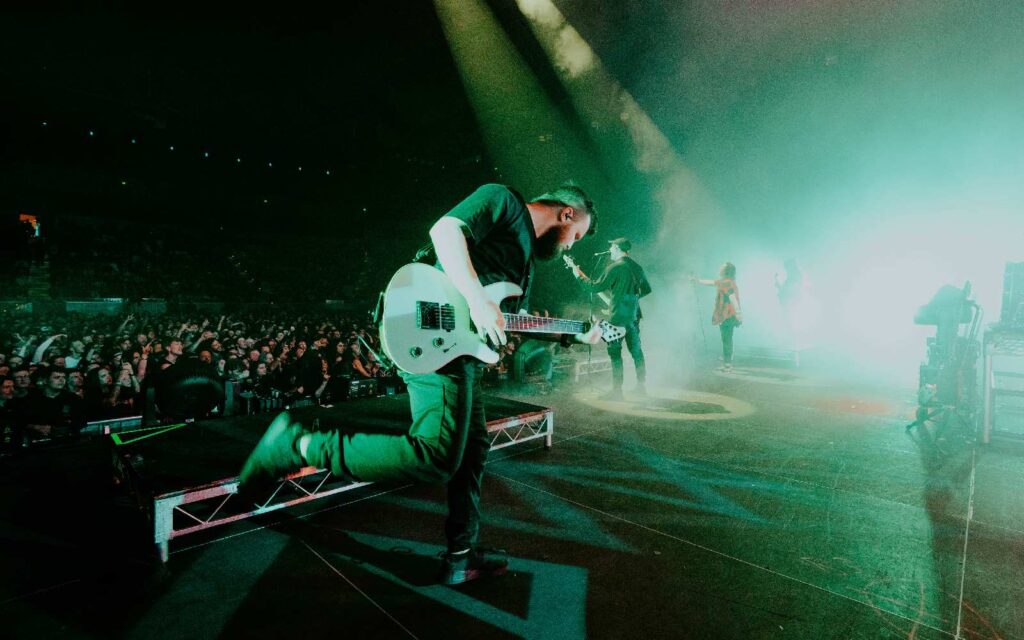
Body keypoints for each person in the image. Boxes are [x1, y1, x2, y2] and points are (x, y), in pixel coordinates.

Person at [238, 182, 601, 584]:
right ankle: (299, 443)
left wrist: (573, 333)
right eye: (577, 236)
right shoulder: (503, 200)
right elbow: (445, 232)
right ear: (567, 214)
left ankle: (462, 553)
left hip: (460, 350)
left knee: (472, 449)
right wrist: (478, 299)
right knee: (435, 455)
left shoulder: (521, 256)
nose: (571, 247)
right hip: (429, 332)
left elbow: (503, 321)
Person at [569, 237, 652, 399]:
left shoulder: (615, 267)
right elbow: (647, 290)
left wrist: (577, 275)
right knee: (637, 353)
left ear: (619, 248)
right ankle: (642, 388)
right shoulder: (637, 267)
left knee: (615, 354)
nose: (610, 250)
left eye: (612, 247)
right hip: (633, 317)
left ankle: (617, 392)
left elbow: (594, 286)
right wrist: (628, 301)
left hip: (617, 319)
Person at [692, 262, 742, 371]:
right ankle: (727, 358)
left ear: (725, 271)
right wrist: (698, 281)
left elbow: (732, 298)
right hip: (729, 315)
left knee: (726, 339)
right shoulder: (727, 282)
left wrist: (738, 314)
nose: (720, 270)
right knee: (728, 338)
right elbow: (712, 283)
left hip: (727, 315)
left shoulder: (726, 283)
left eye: (722, 268)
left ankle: (727, 363)